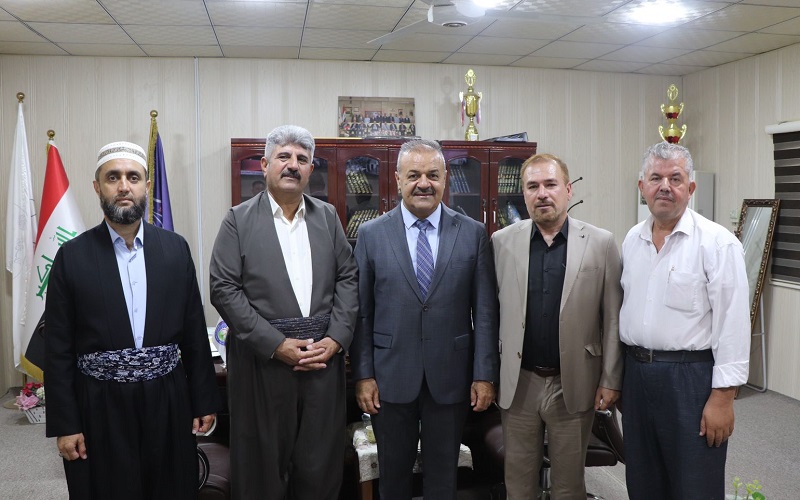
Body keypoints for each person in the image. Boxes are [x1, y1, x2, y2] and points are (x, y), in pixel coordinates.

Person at [44, 141, 219, 500]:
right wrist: (66, 424)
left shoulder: (175, 249)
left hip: (167, 398)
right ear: (97, 187)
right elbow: (57, 349)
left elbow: (194, 332)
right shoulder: (71, 257)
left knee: (170, 487)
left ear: (146, 186)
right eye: (113, 177)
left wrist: (203, 400)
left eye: (133, 177)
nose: (124, 186)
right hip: (99, 403)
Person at [209, 125, 358, 500]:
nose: (293, 165)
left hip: (322, 362)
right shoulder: (238, 220)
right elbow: (223, 289)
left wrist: (336, 338)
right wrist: (276, 345)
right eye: (284, 157)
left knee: (320, 468)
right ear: (264, 165)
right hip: (262, 364)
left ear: (311, 170)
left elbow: (348, 277)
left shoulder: (328, 217)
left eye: (302, 159)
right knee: (262, 471)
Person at [350, 139, 499, 500]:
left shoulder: (473, 233)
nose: (423, 183)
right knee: (393, 480)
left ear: (445, 179)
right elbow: (361, 313)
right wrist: (364, 375)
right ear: (397, 179)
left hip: (450, 378)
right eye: (413, 175)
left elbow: (484, 311)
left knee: (443, 480)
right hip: (389, 379)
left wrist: (484, 374)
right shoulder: (371, 234)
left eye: (432, 175)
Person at [620, 142, 750, 500]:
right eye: (656, 178)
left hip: (690, 381)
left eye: (675, 178)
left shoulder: (718, 244)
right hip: (637, 377)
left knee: (695, 484)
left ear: (690, 188)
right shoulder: (632, 240)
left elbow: (734, 325)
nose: (665, 186)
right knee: (643, 481)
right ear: (642, 187)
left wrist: (723, 398)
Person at [491, 153, 623, 499]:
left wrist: (610, 379)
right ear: (523, 193)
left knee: (569, 486)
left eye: (550, 184)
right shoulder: (501, 242)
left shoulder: (601, 243)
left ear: (567, 189)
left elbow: (612, 317)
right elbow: (490, 314)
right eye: (532, 186)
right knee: (518, 485)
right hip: (520, 383)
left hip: (574, 383)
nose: (542, 193)